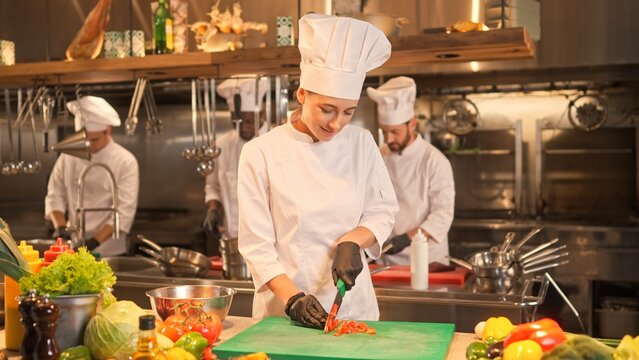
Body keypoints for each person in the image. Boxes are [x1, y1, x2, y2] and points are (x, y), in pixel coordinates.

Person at [237, 13, 399, 329]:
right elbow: (257, 246)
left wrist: (352, 242)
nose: (336, 123)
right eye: (327, 109)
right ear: (302, 95)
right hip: (284, 311)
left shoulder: (362, 143)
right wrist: (293, 298)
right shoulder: (261, 152)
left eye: (347, 112)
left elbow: (382, 212)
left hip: (353, 308)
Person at [367, 76, 455, 265]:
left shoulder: (434, 160)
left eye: (395, 132)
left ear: (412, 124)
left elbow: (442, 215)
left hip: (427, 260)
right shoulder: (379, 156)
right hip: (387, 259)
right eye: (384, 131)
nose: (389, 139)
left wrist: (406, 238)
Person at [45, 96, 140, 257]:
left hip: (110, 251)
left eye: (94, 139)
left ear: (107, 130)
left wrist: (93, 243)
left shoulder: (126, 161)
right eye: (84, 140)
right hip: (74, 246)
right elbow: (55, 195)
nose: (88, 145)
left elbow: (124, 212)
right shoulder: (68, 156)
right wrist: (61, 228)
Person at [202, 75, 268, 241]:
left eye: (247, 120)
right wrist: (213, 210)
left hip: (270, 241)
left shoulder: (276, 142)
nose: (242, 127)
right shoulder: (221, 145)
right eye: (236, 121)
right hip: (231, 237)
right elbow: (213, 187)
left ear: (262, 114)